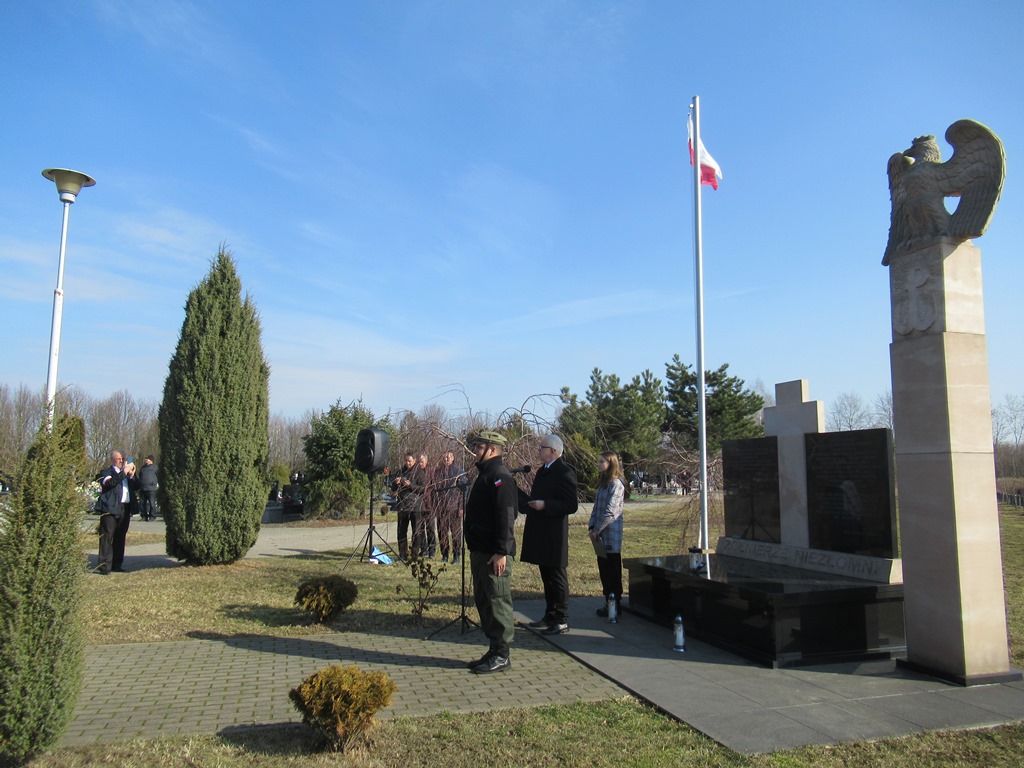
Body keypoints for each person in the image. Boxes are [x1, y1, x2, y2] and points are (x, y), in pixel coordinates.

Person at [463, 431, 518, 674]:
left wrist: (501, 551)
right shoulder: (486, 475)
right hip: (481, 551)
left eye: (479, 447)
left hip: (494, 554)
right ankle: (494, 648)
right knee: (485, 600)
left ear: (492, 449)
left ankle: (502, 654)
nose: (475, 451)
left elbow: (506, 516)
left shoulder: (500, 476)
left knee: (497, 601)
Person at [518, 434, 578, 634]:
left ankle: (562, 619)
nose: (538, 450)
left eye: (542, 447)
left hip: (554, 534)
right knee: (546, 575)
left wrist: (545, 505)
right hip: (540, 530)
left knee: (557, 576)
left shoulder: (564, 472)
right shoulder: (542, 471)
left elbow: (571, 504)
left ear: (553, 451)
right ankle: (550, 614)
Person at [589, 451, 626, 616]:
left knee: (612, 570)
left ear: (611, 464)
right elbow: (596, 508)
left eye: (602, 461)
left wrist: (598, 529)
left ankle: (615, 603)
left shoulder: (616, 484)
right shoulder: (602, 485)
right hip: (599, 535)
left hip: (611, 534)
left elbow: (610, 511)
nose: (599, 464)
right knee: (603, 569)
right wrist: (591, 527)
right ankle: (607, 601)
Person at [94, 450, 137, 574]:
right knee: (107, 537)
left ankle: (117, 564)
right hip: (110, 508)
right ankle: (104, 566)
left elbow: (137, 486)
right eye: (119, 459)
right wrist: (123, 472)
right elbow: (110, 483)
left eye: (123, 459)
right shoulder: (106, 472)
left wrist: (132, 476)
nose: (122, 461)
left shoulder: (126, 474)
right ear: (113, 459)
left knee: (120, 537)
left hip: (125, 508)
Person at [430, 450, 468, 564]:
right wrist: (435, 505)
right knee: (442, 532)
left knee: (455, 533)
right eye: (445, 457)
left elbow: (463, 491)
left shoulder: (458, 471)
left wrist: (461, 507)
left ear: (453, 458)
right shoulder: (438, 472)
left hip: (454, 507)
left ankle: (456, 555)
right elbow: (434, 490)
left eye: (448, 457)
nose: (446, 459)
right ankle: (444, 555)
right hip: (441, 507)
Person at [391, 453, 425, 560]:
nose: (407, 463)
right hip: (402, 505)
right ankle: (402, 554)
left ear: (414, 460)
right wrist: (395, 483)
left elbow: (423, 489)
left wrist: (410, 485)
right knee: (401, 531)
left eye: (409, 461)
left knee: (416, 532)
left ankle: (414, 554)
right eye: (406, 461)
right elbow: (393, 488)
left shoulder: (419, 472)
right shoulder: (400, 471)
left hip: (415, 505)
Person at [414, 453, 437, 558]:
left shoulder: (431, 471)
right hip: (418, 504)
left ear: (426, 462)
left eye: (422, 462)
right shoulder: (416, 472)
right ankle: (424, 549)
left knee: (430, 528)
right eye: (419, 462)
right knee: (420, 528)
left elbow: (434, 487)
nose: (420, 464)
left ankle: (432, 550)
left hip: (429, 504)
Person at [138, 455, 159, 521]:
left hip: (152, 489)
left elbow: (159, 476)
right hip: (143, 488)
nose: (145, 460)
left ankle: (152, 516)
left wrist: (156, 484)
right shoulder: (143, 468)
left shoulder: (155, 468)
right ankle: (144, 516)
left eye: (147, 459)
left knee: (152, 503)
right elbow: (140, 476)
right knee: (142, 503)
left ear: (151, 460)